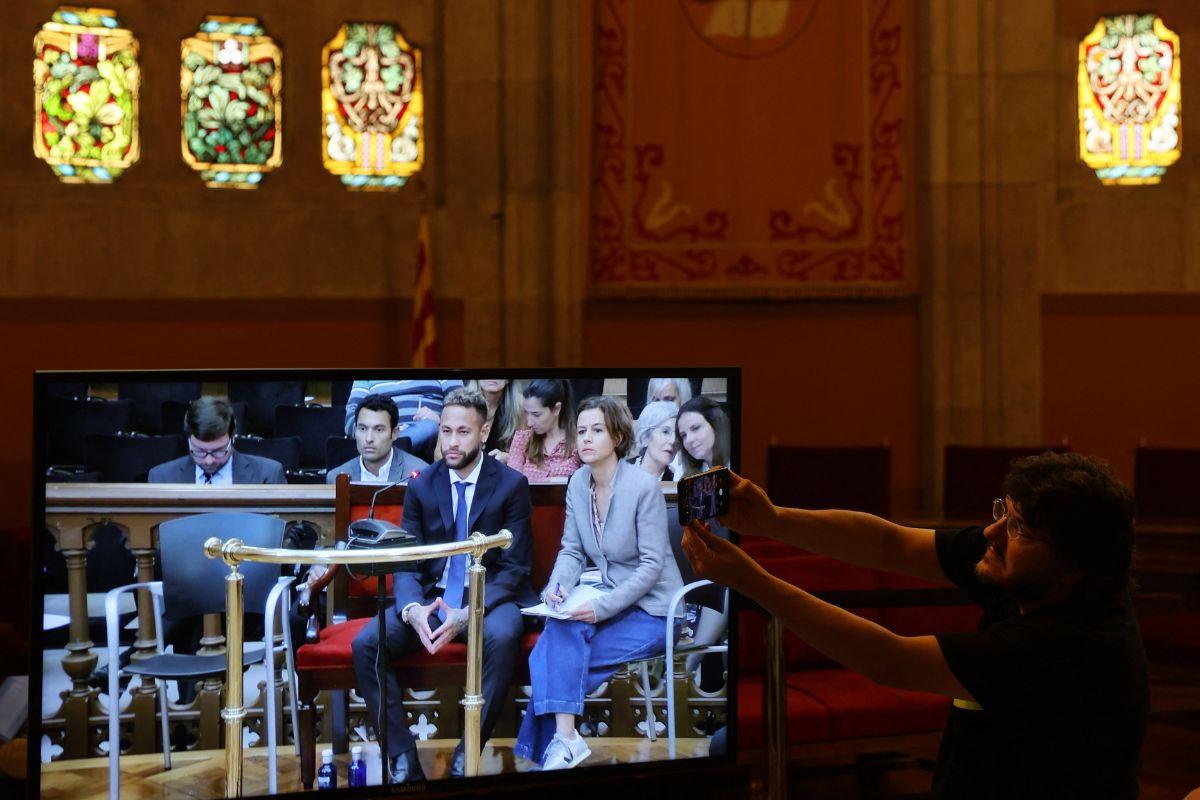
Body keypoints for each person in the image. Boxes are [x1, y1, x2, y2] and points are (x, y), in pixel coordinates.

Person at [681, 452, 1148, 799]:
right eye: (1002, 513)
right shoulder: (1037, 576)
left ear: (1075, 562)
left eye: (1020, 528)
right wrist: (772, 520)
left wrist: (752, 581)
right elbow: (891, 544)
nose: (992, 533)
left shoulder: (1070, 644)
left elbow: (890, 659)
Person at [350, 387, 535, 782]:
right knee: (367, 643)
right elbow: (408, 559)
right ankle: (401, 760)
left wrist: (471, 612)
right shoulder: (422, 484)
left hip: (490, 597)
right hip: (433, 599)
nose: (451, 442)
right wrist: (412, 608)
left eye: (463, 432)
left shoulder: (511, 484)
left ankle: (466, 755)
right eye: (445, 431)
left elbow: (516, 568)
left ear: (483, 433)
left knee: (502, 637)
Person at [514, 396, 683, 770]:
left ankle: (555, 749)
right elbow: (572, 550)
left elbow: (652, 567)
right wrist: (556, 587)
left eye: (597, 430)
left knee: (550, 658)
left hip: (657, 610)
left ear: (619, 436)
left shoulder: (643, 487)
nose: (586, 438)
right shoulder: (577, 483)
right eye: (582, 431)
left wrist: (599, 608)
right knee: (562, 631)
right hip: (611, 597)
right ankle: (567, 740)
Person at [148, 396, 286, 484]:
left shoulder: (268, 475)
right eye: (199, 452)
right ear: (188, 439)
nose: (209, 461)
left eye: (219, 451)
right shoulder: (161, 478)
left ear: (232, 438)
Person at [343, 378, 464, 461]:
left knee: (429, 426)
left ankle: (390, 451)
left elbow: (463, 405)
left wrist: (440, 421)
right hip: (381, 433)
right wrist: (369, 432)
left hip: (429, 432)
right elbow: (350, 417)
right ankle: (391, 445)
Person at [326, 393, 429, 484]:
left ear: (394, 433)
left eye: (379, 430)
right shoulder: (335, 478)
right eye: (362, 428)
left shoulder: (419, 474)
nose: (369, 438)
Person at [506, 379, 581, 480]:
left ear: (556, 409)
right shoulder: (522, 439)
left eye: (536, 415)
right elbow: (512, 482)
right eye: (527, 413)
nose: (529, 423)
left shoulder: (579, 440)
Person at [466, 378, 523, 460]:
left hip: (500, 470)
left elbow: (525, 456)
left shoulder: (519, 406)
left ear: (508, 379)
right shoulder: (463, 404)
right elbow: (441, 452)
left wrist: (507, 457)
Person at [676, 395, 731, 478]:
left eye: (695, 428)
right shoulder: (681, 473)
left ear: (715, 425)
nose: (688, 440)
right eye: (683, 435)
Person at [630, 400, 679, 481]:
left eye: (677, 434)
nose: (673, 440)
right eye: (665, 432)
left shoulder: (677, 482)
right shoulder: (619, 471)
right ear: (645, 437)